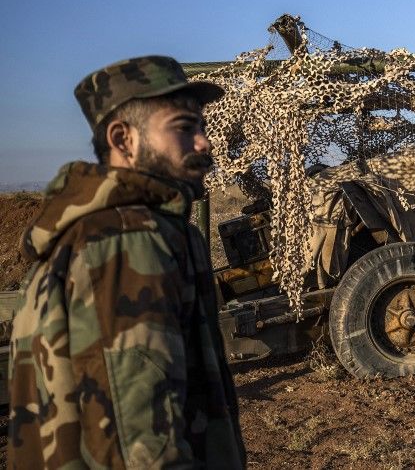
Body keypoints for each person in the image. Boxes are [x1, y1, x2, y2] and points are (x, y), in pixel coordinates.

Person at [7, 56, 246, 469]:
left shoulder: (92, 232)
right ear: (124, 140)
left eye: (202, 127)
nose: (204, 142)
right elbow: (141, 443)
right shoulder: (126, 239)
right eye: (184, 128)